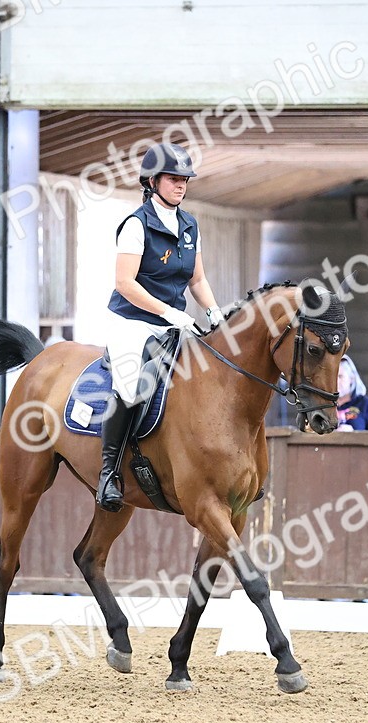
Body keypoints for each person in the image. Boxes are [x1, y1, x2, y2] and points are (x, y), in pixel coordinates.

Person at [97, 142, 224, 512]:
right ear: (152, 181)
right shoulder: (137, 225)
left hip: (174, 325)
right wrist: (169, 312)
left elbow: (196, 279)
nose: (181, 185)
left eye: (184, 179)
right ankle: (109, 473)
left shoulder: (190, 225)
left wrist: (213, 311)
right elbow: (126, 283)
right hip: (133, 322)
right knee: (132, 387)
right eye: (173, 178)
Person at [335, 355, 368, 431]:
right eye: (333, 377)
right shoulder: (323, 404)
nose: (336, 381)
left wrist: (354, 434)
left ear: (352, 378)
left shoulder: (364, 403)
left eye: (340, 376)